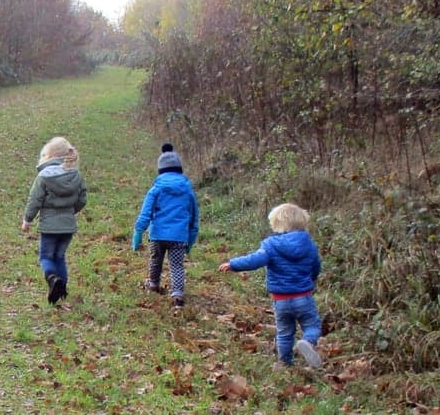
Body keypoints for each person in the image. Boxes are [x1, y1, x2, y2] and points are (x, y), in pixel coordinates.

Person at [218, 203, 323, 368]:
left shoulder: (271, 245)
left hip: (280, 300)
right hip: (303, 297)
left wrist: (233, 264)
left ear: (278, 224)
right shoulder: (309, 245)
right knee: (312, 325)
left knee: (284, 332)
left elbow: (254, 260)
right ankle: (308, 341)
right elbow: (316, 266)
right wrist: (312, 279)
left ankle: (284, 362)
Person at [131, 143, 199, 308]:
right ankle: (177, 293)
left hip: (157, 235)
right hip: (179, 236)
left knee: (156, 260)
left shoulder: (155, 190)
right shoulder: (188, 191)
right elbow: (194, 219)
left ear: (160, 170)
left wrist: (138, 233)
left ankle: (154, 284)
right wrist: (190, 241)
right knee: (176, 265)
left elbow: (145, 214)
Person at [21, 136, 87, 306]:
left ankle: (52, 279)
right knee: (60, 256)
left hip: (49, 226)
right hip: (68, 226)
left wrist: (27, 220)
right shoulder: (76, 175)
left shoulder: (44, 177)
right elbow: (82, 200)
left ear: (50, 155)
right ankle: (62, 289)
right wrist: (71, 213)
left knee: (45, 257)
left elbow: (34, 200)